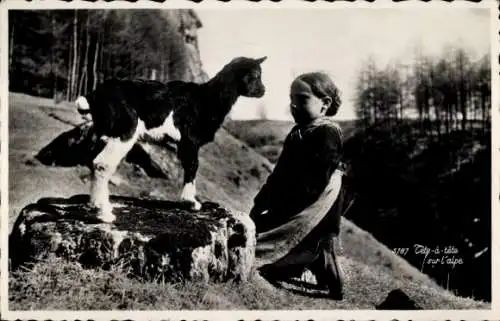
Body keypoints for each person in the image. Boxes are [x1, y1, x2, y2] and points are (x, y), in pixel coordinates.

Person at [250, 71, 348, 300]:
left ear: (325, 104)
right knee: (259, 232)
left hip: (318, 204)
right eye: (291, 98)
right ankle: (317, 263)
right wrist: (261, 203)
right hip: (295, 198)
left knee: (306, 247)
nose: (293, 105)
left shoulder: (327, 133)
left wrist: (283, 207)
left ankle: (323, 269)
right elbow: (280, 174)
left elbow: (316, 182)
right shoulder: (297, 133)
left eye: (302, 99)